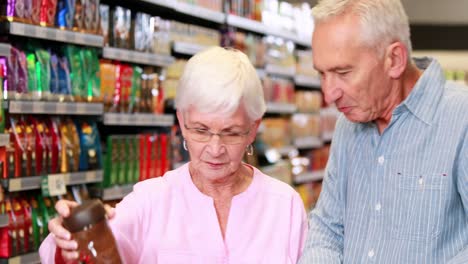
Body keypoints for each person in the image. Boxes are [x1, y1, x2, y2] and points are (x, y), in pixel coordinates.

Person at [39, 46, 308, 263]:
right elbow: (65, 253)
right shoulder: (150, 202)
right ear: (181, 122)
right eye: (201, 130)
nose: (214, 149)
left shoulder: (285, 206)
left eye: (231, 132)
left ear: (253, 129)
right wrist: (68, 234)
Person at [298, 0, 468, 263]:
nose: (329, 93)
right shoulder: (348, 124)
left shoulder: (461, 118)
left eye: (343, 72)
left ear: (395, 60)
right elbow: (328, 228)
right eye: (322, 74)